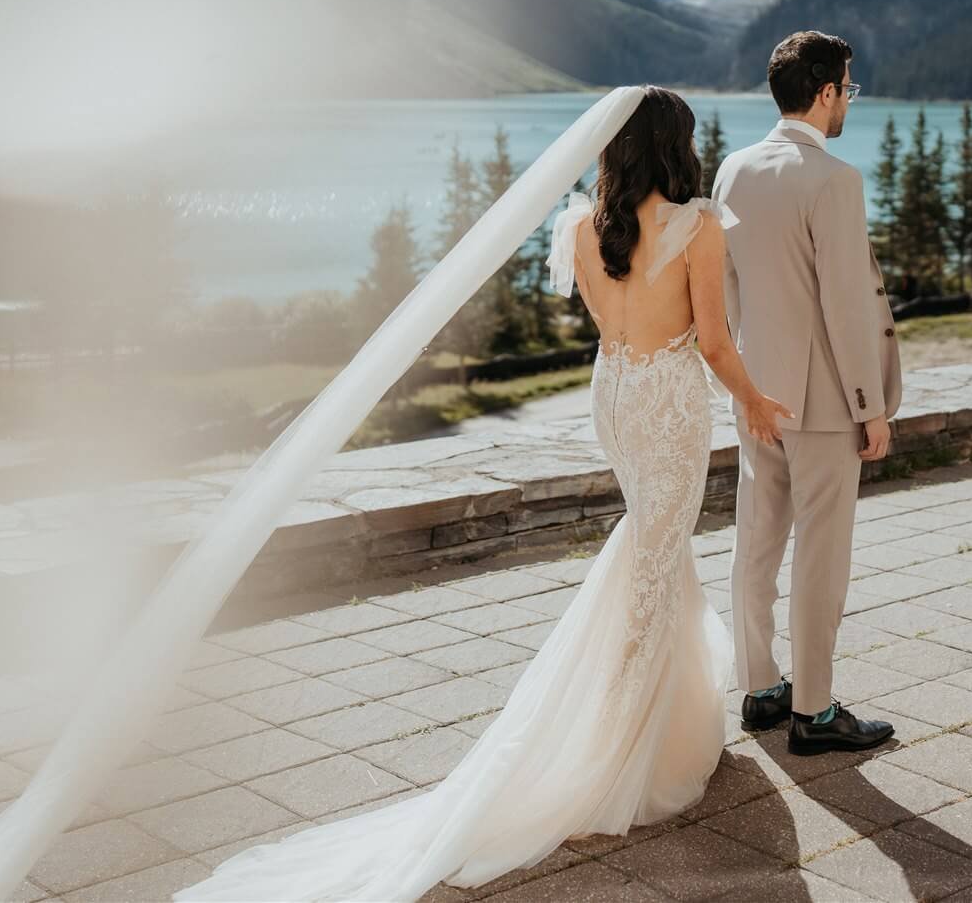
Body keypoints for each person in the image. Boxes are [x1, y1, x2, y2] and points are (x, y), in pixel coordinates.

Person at [179, 86, 794, 903]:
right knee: (652, 549)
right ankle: (615, 742)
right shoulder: (700, 227)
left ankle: (665, 720)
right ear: (675, 146)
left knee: (651, 543)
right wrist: (753, 398)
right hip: (671, 404)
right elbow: (712, 340)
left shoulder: (582, 226)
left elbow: (608, 318)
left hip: (614, 394)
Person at [712, 30, 902, 755]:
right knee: (822, 552)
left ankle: (761, 689)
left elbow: (728, 291)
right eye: (848, 88)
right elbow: (847, 305)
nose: (848, 99)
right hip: (825, 404)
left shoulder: (734, 170)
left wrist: (749, 383)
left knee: (757, 543)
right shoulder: (834, 180)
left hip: (758, 394)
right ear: (824, 93)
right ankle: (814, 712)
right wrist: (870, 404)